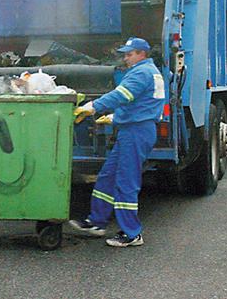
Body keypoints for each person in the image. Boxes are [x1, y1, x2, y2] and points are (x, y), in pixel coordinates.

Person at [69, 37, 165, 247]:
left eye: (130, 54)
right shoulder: (150, 71)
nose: (126, 58)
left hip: (136, 132)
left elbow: (121, 95)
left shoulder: (141, 72)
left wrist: (92, 106)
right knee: (107, 176)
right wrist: (116, 117)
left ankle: (132, 233)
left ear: (142, 54)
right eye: (125, 54)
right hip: (134, 129)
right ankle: (97, 221)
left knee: (126, 181)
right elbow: (141, 102)